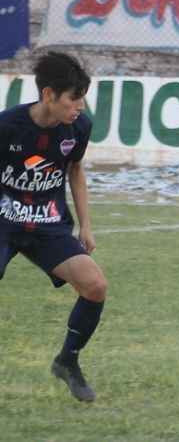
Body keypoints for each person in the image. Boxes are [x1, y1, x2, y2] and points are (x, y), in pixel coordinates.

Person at [0, 51, 107, 402]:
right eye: (73, 98)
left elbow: (75, 170)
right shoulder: (7, 126)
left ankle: (67, 361)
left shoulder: (79, 127)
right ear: (49, 95)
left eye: (82, 98)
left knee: (95, 286)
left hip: (49, 225)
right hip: (4, 221)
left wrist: (86, 226)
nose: (80, 106)